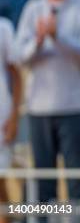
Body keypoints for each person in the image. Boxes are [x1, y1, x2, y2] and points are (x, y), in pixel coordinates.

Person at [13, 0, 80, 209]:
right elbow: (20, 55)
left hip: (75, 106)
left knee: (77, 182)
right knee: (44, 184)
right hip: (40, 109)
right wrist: (39, 41)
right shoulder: (32, 9)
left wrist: (58, 36)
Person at [0, 18, 22, 223]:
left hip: (1, 116)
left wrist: (14, 116)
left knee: (0, 183)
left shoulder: (4, 27)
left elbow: (17, 75)